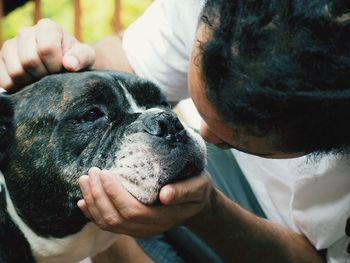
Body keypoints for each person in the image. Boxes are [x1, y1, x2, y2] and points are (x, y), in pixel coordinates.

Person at [1, 0, 349, 262]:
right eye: (198, 107)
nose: (205, 136)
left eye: (236, 137)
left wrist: (205, 211)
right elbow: (123, 60)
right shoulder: (218, 11)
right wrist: (62, 61)